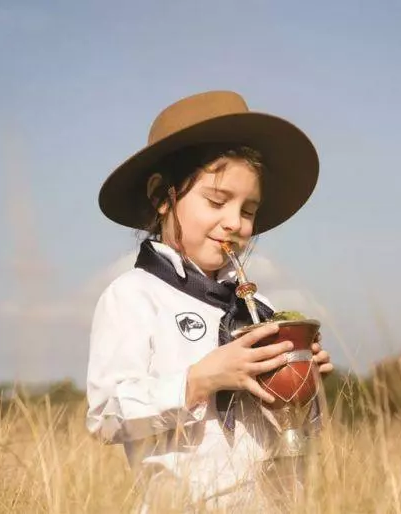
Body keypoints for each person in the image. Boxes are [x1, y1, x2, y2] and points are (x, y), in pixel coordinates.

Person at [85, 90, 333, 511]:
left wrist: (300, 387)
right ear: (162, 196)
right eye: (217, 201)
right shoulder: (133, 296)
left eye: (249, 211)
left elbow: (292, 439)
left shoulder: (259, 308)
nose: (235, 223)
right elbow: (105, 417)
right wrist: (199, 380)